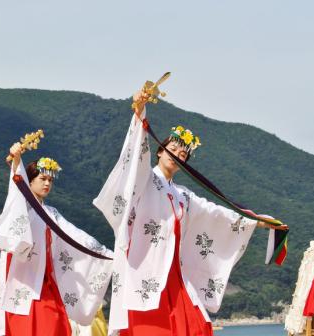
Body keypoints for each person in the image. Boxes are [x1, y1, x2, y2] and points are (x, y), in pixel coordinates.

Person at [93, 90, 287, 336]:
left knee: (196, 326)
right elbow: (136, 158)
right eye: (173, 148)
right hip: (146, 266)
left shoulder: (182, 195)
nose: (177, 155)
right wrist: (140, 112)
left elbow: (215, 213)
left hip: (175, 269)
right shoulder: (144, 180)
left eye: (183, 155)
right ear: (160, 151)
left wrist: (257, 222)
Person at [0, 142, 113, 336]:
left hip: (48, 280)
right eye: (42, 178)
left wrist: (107, 255)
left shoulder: (51, 213)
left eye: (50, 180)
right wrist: (17, 161)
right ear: (30, 181)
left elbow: (77, 236)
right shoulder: (23, 207)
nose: (47, 183)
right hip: (25, 281)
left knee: (56, 324)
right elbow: (16, 186)